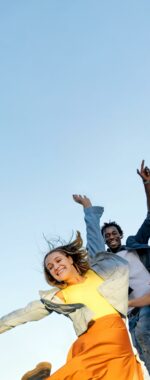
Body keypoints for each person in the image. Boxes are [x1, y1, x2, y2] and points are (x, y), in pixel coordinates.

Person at [0, 232, 144, 380]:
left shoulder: (96, 271)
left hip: (117, 333)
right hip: (93, 338)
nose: (56, 267)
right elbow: (24, 314)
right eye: (50, 267)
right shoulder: (60, 296)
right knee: (83, 372)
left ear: (70, 259)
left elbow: (94, 236)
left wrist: (88, 208)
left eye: (58, 260)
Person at [72, 160, 150, 374]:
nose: (111, 236)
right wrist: (88, 209)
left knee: (145, 331)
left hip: (148, 307)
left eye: (114, 233)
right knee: (143, 354)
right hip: (132, 314)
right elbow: (94, 241)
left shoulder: (134, 246)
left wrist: (147, 186)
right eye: (108, 235)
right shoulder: (105, 261)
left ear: (121, 235)